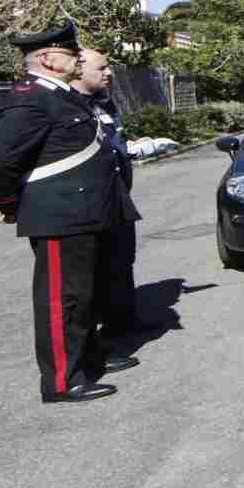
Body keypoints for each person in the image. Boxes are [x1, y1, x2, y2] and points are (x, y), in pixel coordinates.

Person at [0, 22, 141, 404]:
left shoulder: (61, 96)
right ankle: (60, 381)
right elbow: (1, 164)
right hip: (60, 214)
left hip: (84, 212)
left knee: (83, 295)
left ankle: (86, 359)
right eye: (72, 54)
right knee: (61, 299)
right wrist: (8, 204)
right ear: (49, 59)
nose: (79, 59)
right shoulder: (31, 98)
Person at [70, 49, 154, 338]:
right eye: (102, 68)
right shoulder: (69, 106)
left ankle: (124, 325)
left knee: (121, 263)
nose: (109, 73)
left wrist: (132, 147)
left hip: (117, 198)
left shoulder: (104, 102)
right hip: (91, 204)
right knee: (94, 274)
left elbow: (112, 141)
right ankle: (100, 341)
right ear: (78, 70)